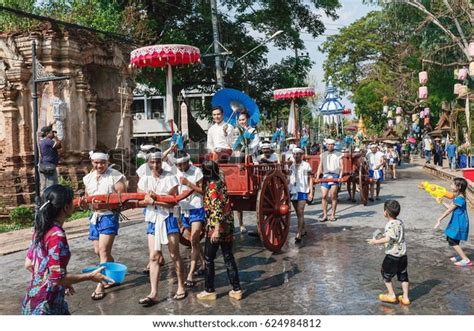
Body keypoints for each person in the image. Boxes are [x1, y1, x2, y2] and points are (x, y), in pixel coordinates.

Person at [22, 185, 112, 315]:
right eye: (72, 201)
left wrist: (64, 281)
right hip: (47, 306)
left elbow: (29, 264)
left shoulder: (40, 229)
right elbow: (56, 278)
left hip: (31, 301)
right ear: (65, 207)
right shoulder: (57, 236)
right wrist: (90, 276)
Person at [137, 151, 187, 306]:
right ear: (148, 163)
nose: (155, 165)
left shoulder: (170, 177)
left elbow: (173, 201)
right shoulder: (145, 179)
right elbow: (140, 200)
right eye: (152, 162)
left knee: (174, 254)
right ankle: (153, 292)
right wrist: (148, 200)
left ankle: (180, 285)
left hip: (168, 218)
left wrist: (155, 201)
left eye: (158, 161)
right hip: (153, 219)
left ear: (161, 162)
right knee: (153, 256)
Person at [80, 150, 126, 300]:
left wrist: (107, 204)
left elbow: (122, 198)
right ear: (92, 163)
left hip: (109, 216)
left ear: (107, 162)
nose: (99, 165)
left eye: (102, 163)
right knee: (98, 251)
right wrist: (84, 204)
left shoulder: (116, 176)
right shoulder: (88, 178)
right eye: (96, 163)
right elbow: (87, 201)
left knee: (103, 250)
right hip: (94, 217)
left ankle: (100, 285)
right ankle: (112, 274)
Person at [197, 161, 242, 301]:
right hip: (228, 225)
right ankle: (237, 289)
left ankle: (209, 290)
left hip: (217, 227)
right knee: (228, 257)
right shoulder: (220, 183)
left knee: (209, 259)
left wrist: (216, 230)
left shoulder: (211, 187)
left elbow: (216, 208)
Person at [367, 200, 410, 305]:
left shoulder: (389, 225)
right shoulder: (400, 222)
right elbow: (394, 237)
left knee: (385, 273)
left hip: (392, 256)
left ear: (385, 212)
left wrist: (375, 241)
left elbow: (388, 239)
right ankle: (405, 297)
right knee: (403, 276)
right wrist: (384, 238)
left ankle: (391, 295)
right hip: (403, 255)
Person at [175, 151, 206, 287]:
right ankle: (204, 263)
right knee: (194, 241)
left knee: (194, 239)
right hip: (183, 209)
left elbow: (202, 190)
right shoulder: (175, 172)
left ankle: (190, 274)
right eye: (178, 164)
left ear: (187, 162)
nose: (180, 167)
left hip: (196, 208)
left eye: (182, 164)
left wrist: (188, 183)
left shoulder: (196, 171)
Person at [434, 177, 471, 267]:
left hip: (459, 222)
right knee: (453, 239)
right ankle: (461, 256)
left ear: (458, 187)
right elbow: (450, 208)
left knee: (452, 240)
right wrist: (442, 202)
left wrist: (439, 219)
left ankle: (466, 259)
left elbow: (449, 211)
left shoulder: (460, 199)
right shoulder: (458, 197)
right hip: (458, 220)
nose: (450, 185)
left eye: (452, 184)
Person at [289, 147, 314, 242]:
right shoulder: (291, 166)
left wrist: (311, 192)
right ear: (293, 156)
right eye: (295, 154)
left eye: (299, 154)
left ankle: (298, 233)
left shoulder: (306, 165)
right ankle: (304, 229)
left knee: (300, 211)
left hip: (303, 190)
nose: (297, 156)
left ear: (301, 155)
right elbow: (288, 179)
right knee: (298, 212)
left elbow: (310, 179)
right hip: (293, 191)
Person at [315, 139, 343, 222]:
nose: (330, 146)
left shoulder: (339, 154)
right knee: (323, 196)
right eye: (328, 145)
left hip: (334, 175)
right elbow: (320, 165)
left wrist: (340, 176)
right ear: (326, 145)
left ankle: (333, 215)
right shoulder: (323, 155)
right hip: (325, 176)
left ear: (334, 145)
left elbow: (341, 166)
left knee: (333, 196)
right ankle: (325, 215)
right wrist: (317, 175)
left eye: (331, 145)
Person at [39, 125, 62, 192]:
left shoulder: (41, 141)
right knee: (52, 185)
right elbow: (59, 145)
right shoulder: (48, 141)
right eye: (51, 132)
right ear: (47, 133)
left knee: (43, 185)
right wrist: (56, 137)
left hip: (43, 165)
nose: (53, 134)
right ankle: (49, 200)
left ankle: (43, 200)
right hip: (49, 166)